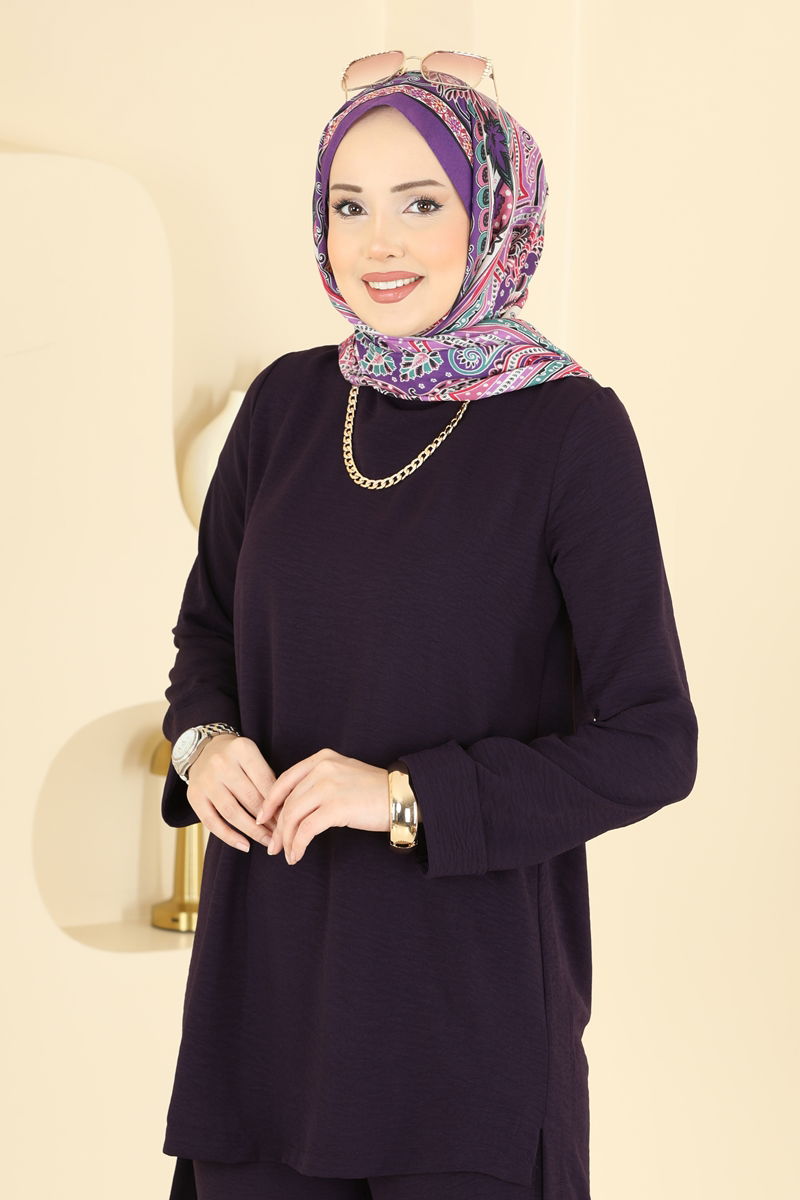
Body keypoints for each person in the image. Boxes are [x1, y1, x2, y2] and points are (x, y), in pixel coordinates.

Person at [159, 60, 699, 1200]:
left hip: (463, 1028)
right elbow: (206, 636)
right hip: (264, 1011)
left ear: (493, 213)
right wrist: (203, 745)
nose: (379, 242)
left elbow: (652, 742)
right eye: (348, 205)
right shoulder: (286, 406)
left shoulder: (570, 432)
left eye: (421, 202)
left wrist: (403, 797)